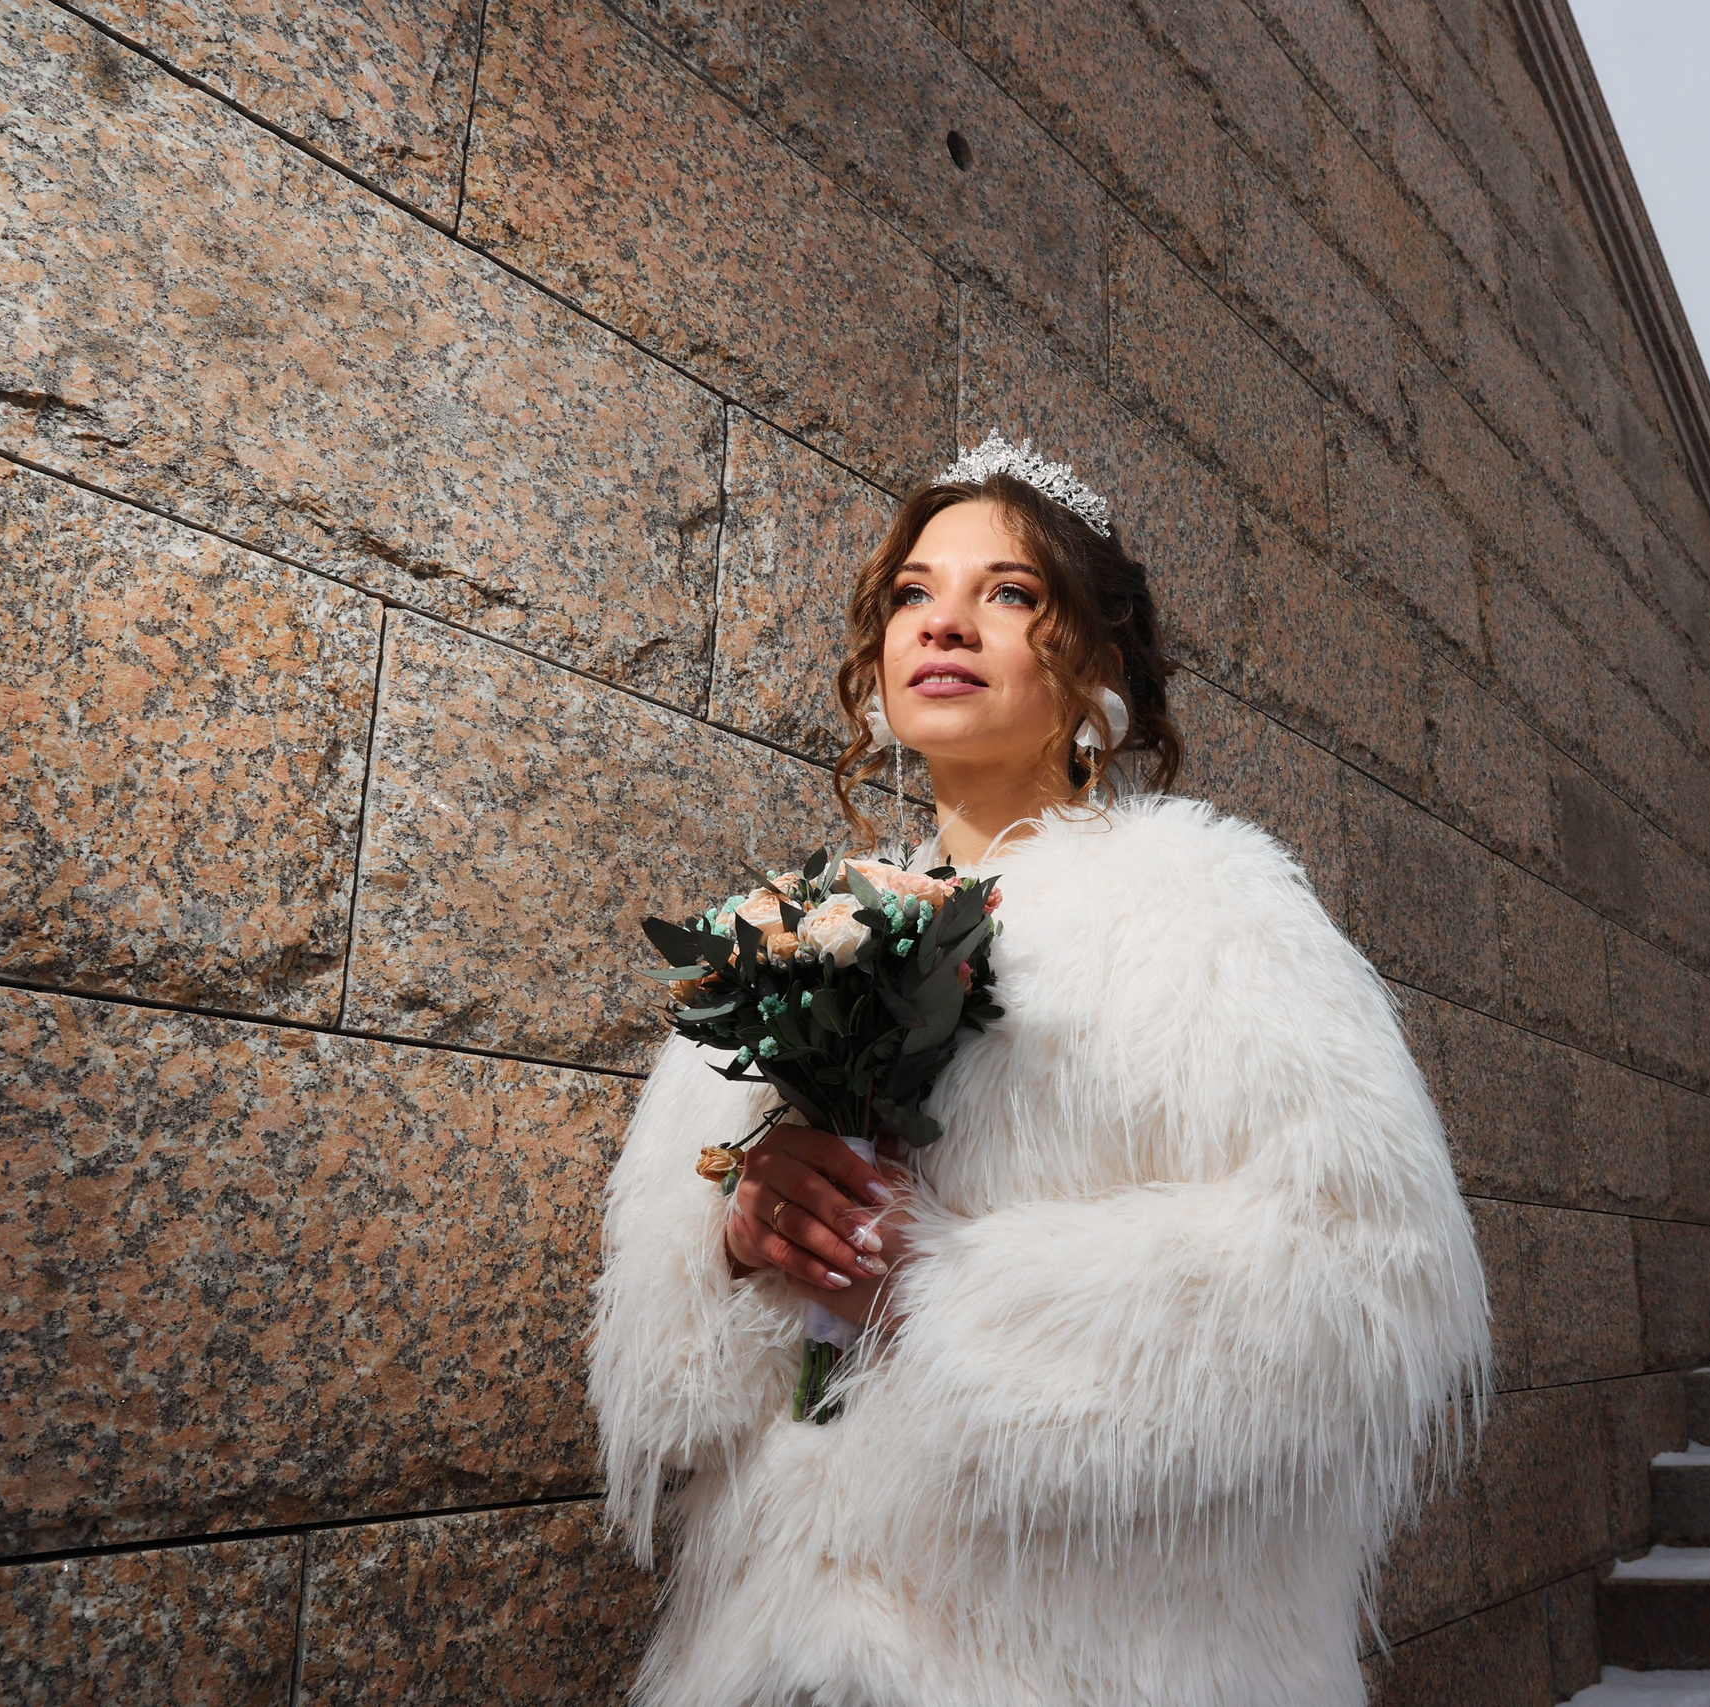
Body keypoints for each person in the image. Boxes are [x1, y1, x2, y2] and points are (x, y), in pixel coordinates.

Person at [587, 434, 1491, 1707]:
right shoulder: (787, 939)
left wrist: (945, 1288)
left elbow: (1372, 1275)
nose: (944, 621)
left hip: (1081, 1660)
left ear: (1098, 669)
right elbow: (657, 1377)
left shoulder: (1205, 911)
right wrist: (743, 1236)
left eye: (1008, 593)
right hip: (779, 1653)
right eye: (913, 592)